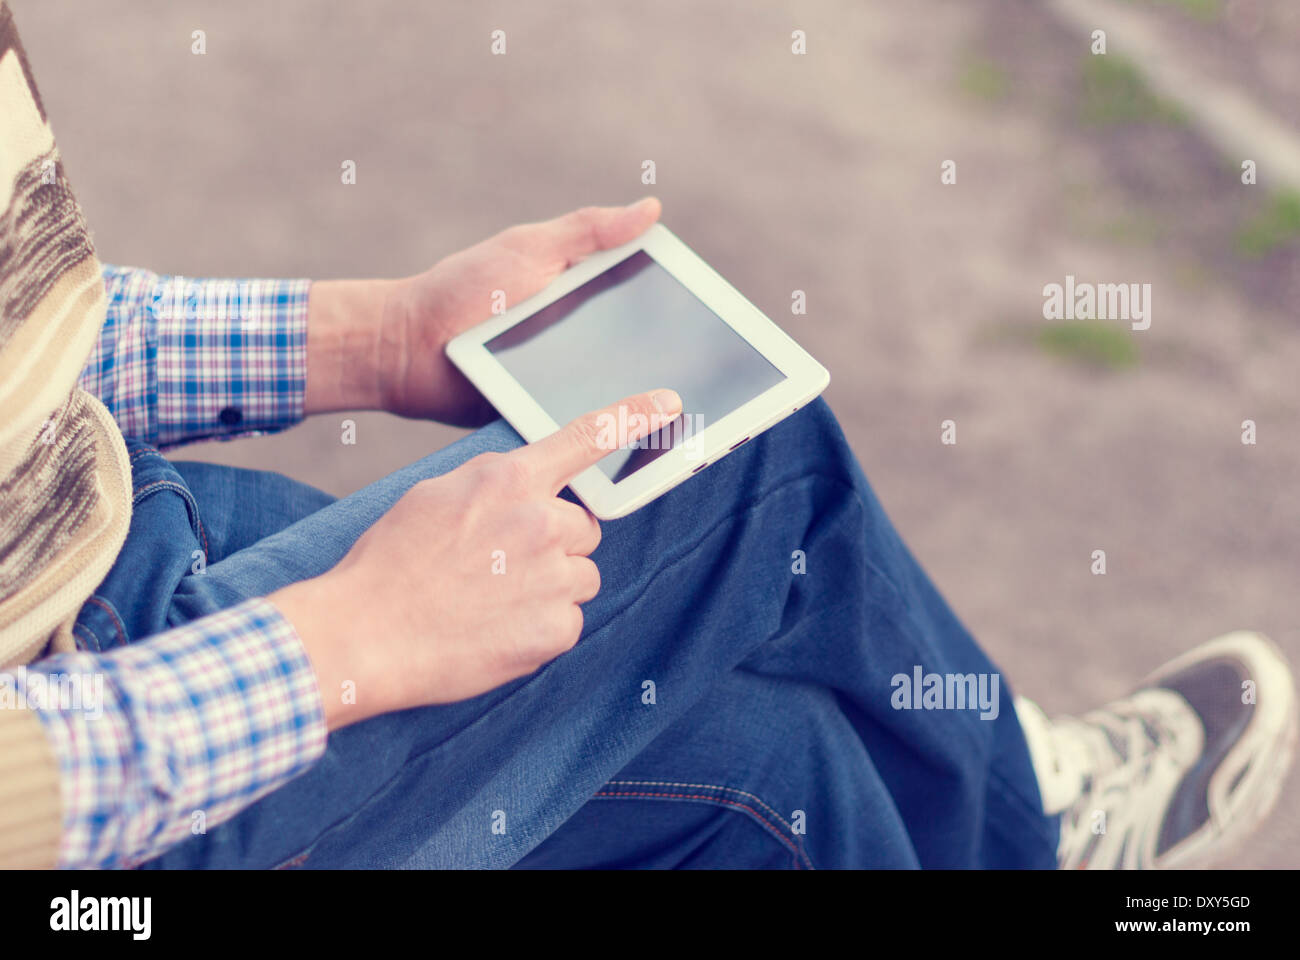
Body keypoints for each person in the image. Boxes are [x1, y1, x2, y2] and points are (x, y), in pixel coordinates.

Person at [0, 2, 1294, 871]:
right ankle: (1037, 822)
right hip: (74, 760)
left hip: (103, 548)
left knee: (778, 771)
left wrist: (381, 337)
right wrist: (339, 643)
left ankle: (1006, 793)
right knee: (738, 463)